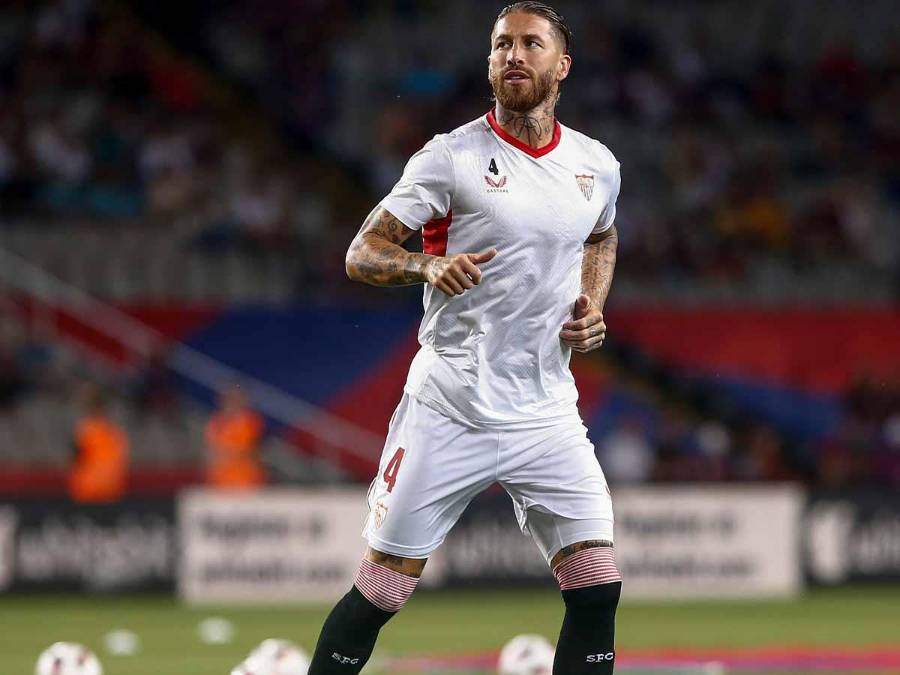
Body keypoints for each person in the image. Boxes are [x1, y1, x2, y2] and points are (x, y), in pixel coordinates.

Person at [308, 3, 622, 673]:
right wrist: (426, 265)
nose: (514, 54)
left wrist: (592, 303)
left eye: (531, 44)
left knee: (597, 584)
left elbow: (601, 235)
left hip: (546, 411)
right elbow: (362, 253)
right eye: (502, 44)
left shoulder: (596, 165)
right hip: (452, 404)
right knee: (382, 590)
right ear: (488, 62)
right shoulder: (450, 158)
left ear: (562, 65)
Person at [69, 384, 129, 503]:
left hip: (89, 490)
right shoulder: (115, 432)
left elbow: (76, 457)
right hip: (108, 490)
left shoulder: (86, 430)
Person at [205, 384, 266, 490]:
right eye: (228, 397)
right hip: (218, 481)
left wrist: (226, 453)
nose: (231, 401)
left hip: (245, 481)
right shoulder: (215, 422)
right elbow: (209, 451)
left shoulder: (251, 421)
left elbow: (253, 451)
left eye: (235, 398)